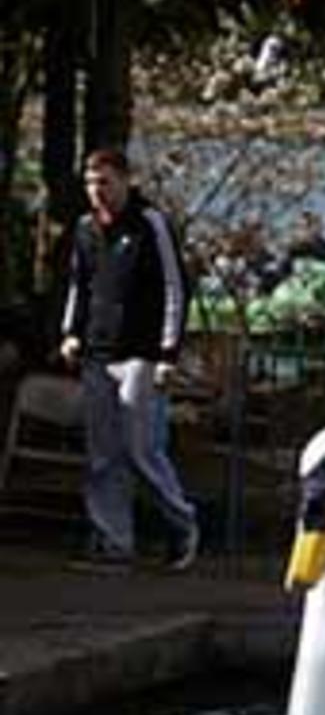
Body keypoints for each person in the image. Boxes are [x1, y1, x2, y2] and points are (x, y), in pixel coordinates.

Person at [56, 145, 201, 571]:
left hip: (141, 352)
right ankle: (114, 541)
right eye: (90, 183)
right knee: (103, 454)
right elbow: (79, 285)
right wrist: (71, 332)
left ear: (125, 180)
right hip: (97, 352)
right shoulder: (85, 228)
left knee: (141, 448)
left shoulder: (150, 223)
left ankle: (182, 523)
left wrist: (168, 351)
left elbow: (176, 288)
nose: (97, 191)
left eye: (105, 182)